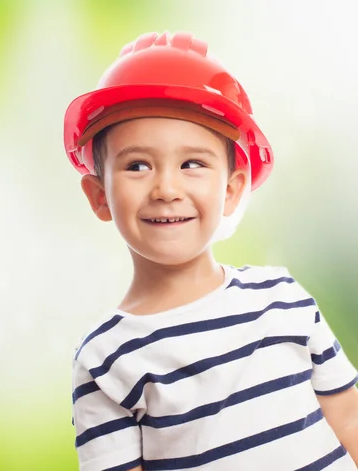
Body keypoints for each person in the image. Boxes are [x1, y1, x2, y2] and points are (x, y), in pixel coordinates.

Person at [64, 31, 358, 471]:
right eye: (137, 165)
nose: (166, 189)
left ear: (232, 189)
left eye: (193, 164)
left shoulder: (283, 298)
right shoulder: (106, 360)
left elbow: (349, 419)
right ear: (99, 195)